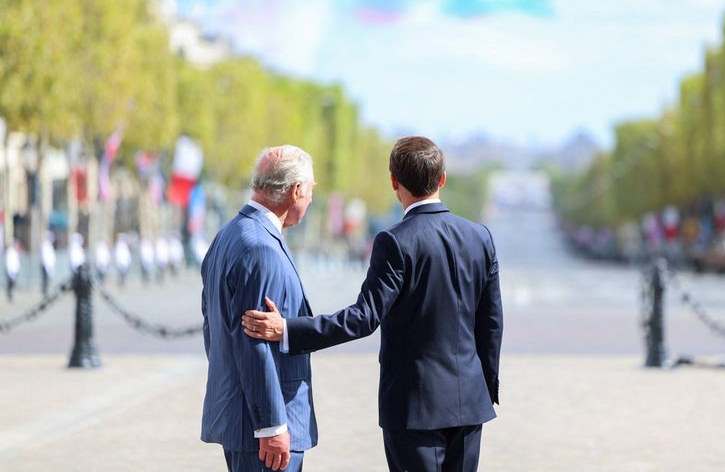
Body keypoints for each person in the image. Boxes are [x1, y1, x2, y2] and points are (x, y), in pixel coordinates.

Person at [244, 136, 503, 472]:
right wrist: (485, 384)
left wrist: (288, 331)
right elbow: (491, 322)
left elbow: (363, 318)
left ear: (394, 182)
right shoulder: (480, 237)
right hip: (470, 401)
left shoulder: (395, 241)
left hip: (413, 405)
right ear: (442, 179)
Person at [201, 145, 318, 472]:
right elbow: (253, 342)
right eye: (310, 191)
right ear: (296, 191)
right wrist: (271, 425)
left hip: (238, 416)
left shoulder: (229, 235)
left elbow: (213, 329)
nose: (309, 199)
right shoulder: (261, 247)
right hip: (263, 432)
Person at [40, 231, 56, 296]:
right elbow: (45, 257)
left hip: (49, 265)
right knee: (45, 280)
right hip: (46, 265)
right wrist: (48, 267)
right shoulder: (45, 246)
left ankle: (46, 291)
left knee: (47, 280)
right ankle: (44, 292)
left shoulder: (49, 245)